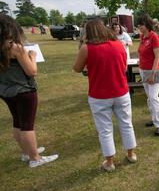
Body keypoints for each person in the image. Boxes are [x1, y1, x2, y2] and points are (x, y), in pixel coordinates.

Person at [73, 18, 137, 172]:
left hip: (99, 94)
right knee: (126, 123)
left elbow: (77, 68)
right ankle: (131, 154)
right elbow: (123, 67)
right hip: (121, 91)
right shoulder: (119, 45)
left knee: (105, 129)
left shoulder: (87, 48)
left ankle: (109, 162)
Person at [0, 15, 59, 168]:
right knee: (27, 125)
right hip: (23, 90)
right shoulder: (15, 48)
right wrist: (32, 56)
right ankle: (35, 158)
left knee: (17, 122)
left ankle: (27, 151)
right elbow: (31, 71)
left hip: (6, 90)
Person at [136, 14, 159, 136]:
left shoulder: (154, 37)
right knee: (150, 98)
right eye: (138, 25)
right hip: (143, 70)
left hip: (154, 70)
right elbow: (142, 52)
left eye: (141, 25)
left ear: (147, 25)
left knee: (153, 97)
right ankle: (154, 119)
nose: (139, 27)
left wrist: (152, 74)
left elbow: (158, 57)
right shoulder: (143, 37)